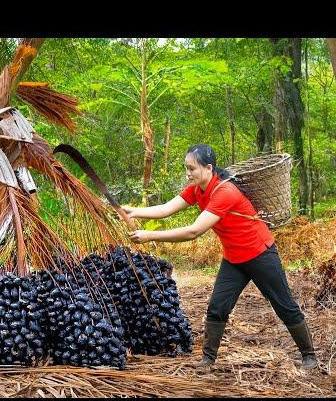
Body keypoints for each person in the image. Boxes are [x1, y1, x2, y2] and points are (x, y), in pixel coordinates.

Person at [122, 144, 317, 370]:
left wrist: (150, 236)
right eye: (186, 168)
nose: (188, 173)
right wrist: (133, 211)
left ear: (208, 168)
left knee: (284, 305)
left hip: (259, 254)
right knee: (217, 307)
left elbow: (194, 231)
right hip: (234, 258)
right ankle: (208, 360)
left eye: (191, 168)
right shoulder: (197, 189)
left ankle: (309, 356)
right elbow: (166, 209)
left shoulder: (225, 192)